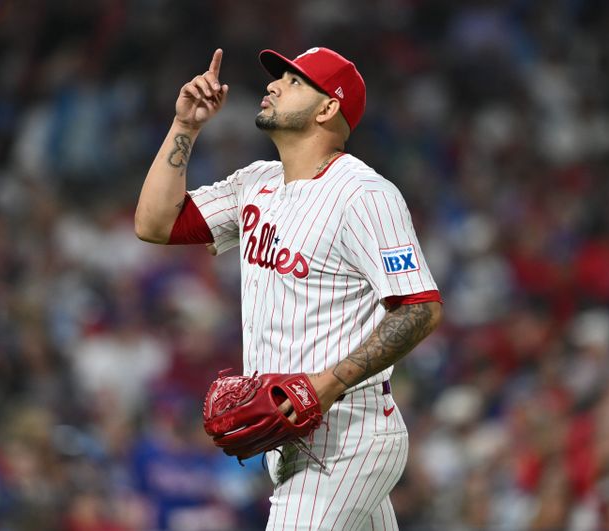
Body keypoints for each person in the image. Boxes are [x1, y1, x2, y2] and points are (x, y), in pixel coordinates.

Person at [135, 46, 443, 530]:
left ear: (328, 108)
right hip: (292, 434)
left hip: (348, 432)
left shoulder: (365, 195)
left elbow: (420, 309)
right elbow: (155, 223)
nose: (274, 85)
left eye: (295, 81)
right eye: (279, 77)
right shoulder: (255, 183)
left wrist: (329, 383)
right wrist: (185, 127)